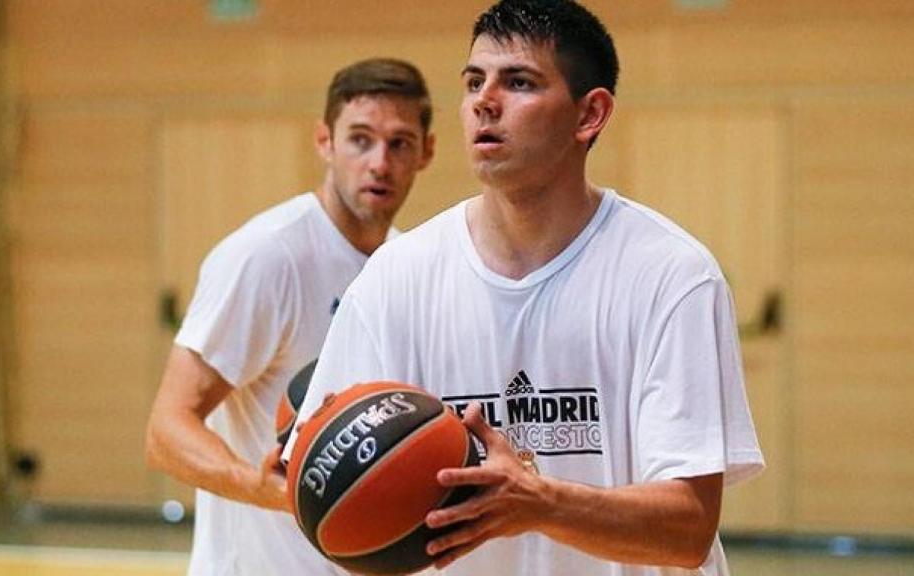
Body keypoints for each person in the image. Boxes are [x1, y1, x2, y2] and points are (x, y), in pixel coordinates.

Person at [283, 2, 764, 575]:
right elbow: (328, 505)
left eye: (519, 82)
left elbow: (687, 529)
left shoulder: (672, 275)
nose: (484, 101)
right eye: (473, 82)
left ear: (590, 114)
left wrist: (539, 502)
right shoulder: (394, 278)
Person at [146, 58, 435, 576]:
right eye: (360, 140)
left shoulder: (408, 268)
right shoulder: (266, 257)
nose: (379, 163)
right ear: (325, 141)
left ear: (426, 152)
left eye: (400, 143)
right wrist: (259, 487)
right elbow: (166, 431)